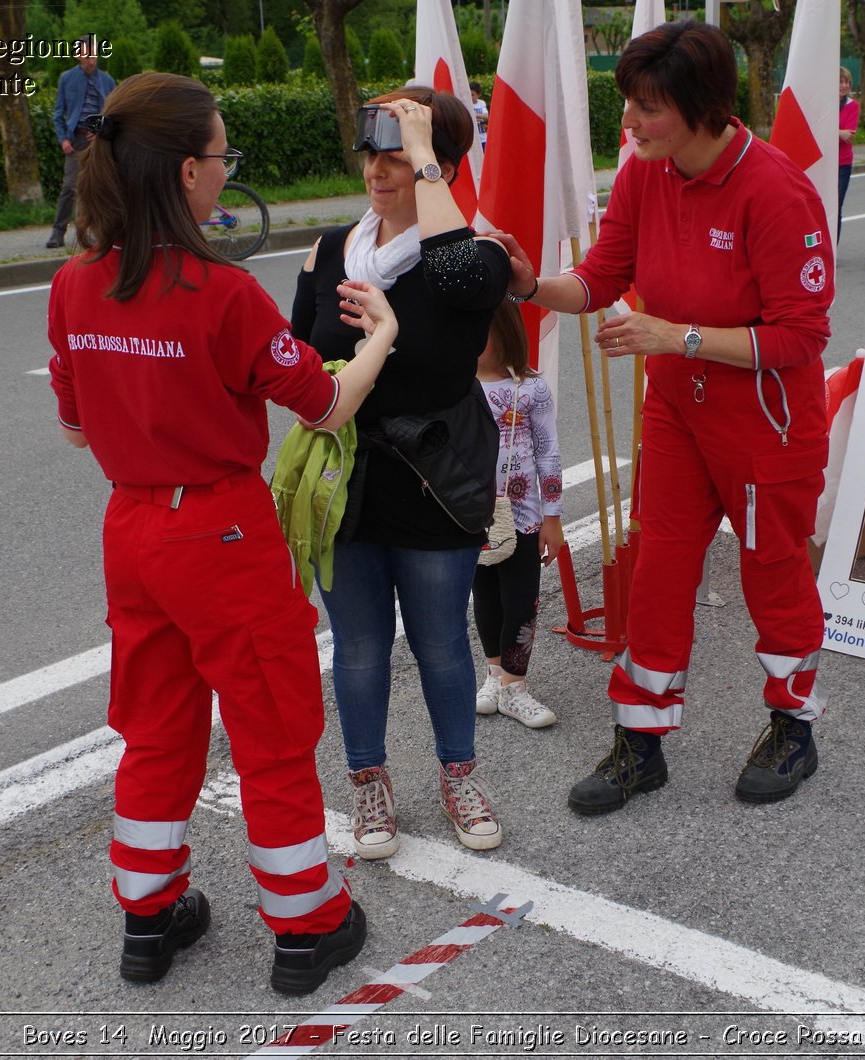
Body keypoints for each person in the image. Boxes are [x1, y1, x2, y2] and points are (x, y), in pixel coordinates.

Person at [46, 72, 395, 994]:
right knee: (271, 728)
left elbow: (76, 423)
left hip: (133, 528)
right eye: (220, 155)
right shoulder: (223, 293)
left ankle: (149, 915)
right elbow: (323, 405)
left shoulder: (74, 285)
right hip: (221, 531)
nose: (225, 169)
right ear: (187, 175)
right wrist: (380, 339)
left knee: (156, 728)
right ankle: (306, 924)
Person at [489, 19, 835, 816]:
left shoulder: (777, 190)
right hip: (680, 410)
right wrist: (528, 283)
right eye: (629, 106)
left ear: (702, 107)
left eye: (648, 108)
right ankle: (640, 742)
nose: (632, 124)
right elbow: (603, 275)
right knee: (657, 571)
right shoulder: (647, 172)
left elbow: (801, 334)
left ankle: (793, 725)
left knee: (772, 572)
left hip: (767, 421)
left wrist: (673, 335)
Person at [291, 85, 513, 860]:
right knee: (355, 647)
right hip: (345, 484)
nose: (379, 173)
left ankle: (459, 777)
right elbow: (298, 362)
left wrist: (428, 158)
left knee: (443, 643)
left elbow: (457, 287)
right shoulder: (330, 252)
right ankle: (368, 785)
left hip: (435, 479)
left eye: (401, 159)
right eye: (372, 155)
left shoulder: (474, 256)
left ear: (441, 169)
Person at [471, 300, 563, 730]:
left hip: (524, 517)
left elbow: (547, 453)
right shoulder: (457, 387)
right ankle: (494, 675)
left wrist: (553, 517)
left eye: (479, 330)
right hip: (471, 518)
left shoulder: (530, 389)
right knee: (485, 595)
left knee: (521, 601)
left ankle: (516, 687)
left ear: (505, 331)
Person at [47, 35, 116, 249]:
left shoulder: (107, 80)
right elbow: (58, 112)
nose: (91, 60)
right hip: (76, 138)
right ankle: (58, 232)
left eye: (94, 55)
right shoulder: (67, 79)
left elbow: (113, 113)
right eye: (87, 55)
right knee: (70, 186)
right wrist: (64, 139)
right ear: (78, 56)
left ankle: (95, 230)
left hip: (98, 141)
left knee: (98, 185)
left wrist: (101, 131)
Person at [837, 66, 858, 242]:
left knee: (836, 206)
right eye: (840, 81)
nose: (844, 86)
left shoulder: (853, 106)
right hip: (823, 161)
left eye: (846, 82)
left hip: (842, 163)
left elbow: (848, 135)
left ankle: (832, 248)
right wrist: (838, 132)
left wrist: (836, 133)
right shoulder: (822, 103)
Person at [469, 81, 489, 147]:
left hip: (482, 138)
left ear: (479, 95)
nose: (470, 97)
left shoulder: (481, 103)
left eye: (472, 95)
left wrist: (475, 115)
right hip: (472, 140)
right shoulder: (467, 103)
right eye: (469, 94)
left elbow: (487, 116)